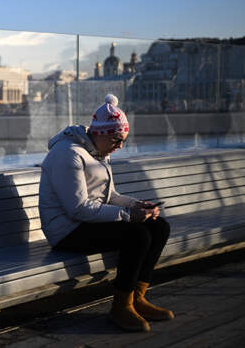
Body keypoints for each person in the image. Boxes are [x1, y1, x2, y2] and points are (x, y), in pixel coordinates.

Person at [38, 94, 173, 332]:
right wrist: (128, 216)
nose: (120, 146)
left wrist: (136, 205)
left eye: (123, 140)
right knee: (137, 235)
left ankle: (136, 299)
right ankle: (121, 307)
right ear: (100, 132)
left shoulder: (98, 152)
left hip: (86, 223)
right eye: (117, 139)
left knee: (159, 226)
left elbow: (109, 196)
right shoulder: (67, 154)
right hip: (66, 230)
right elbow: (77, 208)